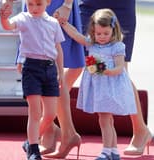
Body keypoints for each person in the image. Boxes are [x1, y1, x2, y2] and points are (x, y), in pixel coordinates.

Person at [59, 8, 138, 159]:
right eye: (98, 33)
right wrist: (64, 24)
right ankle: (114, 151)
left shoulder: (117, 46)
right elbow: (76, 35)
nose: (101, 37)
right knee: (107, 119)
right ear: (93, 31)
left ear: (113, 31)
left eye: (105, 34)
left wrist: (106, 70)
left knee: (104, 119)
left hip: (109, 87)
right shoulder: (92, 44)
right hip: (98, 87)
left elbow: (120, 68)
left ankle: (106, 151)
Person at [79, 0, 153, 155]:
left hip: (121, 4)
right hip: (88, 4)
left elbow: (117, 70)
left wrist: (105, 70)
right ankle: (61, 131)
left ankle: (140, 131)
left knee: (122, 71)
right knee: (79, 64)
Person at [0, 0, 65, 159]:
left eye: (38, 4)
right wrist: (3, 18)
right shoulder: (23, 18)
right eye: (30, 4)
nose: (34, 8)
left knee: (50, 114)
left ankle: (30, 141)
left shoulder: (53, 23)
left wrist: (60, 72)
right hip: (31, 68)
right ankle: (34, 149)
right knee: (35, 112)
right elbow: (8, 25)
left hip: (49, 69)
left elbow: (58, 48)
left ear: (48, 2)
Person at [36, 0, 84, 158]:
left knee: (53, 71)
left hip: (57, 5)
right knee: (37, 67)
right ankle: (51, 131)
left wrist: (67, 5)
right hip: (34, 5)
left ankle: (67, 133)